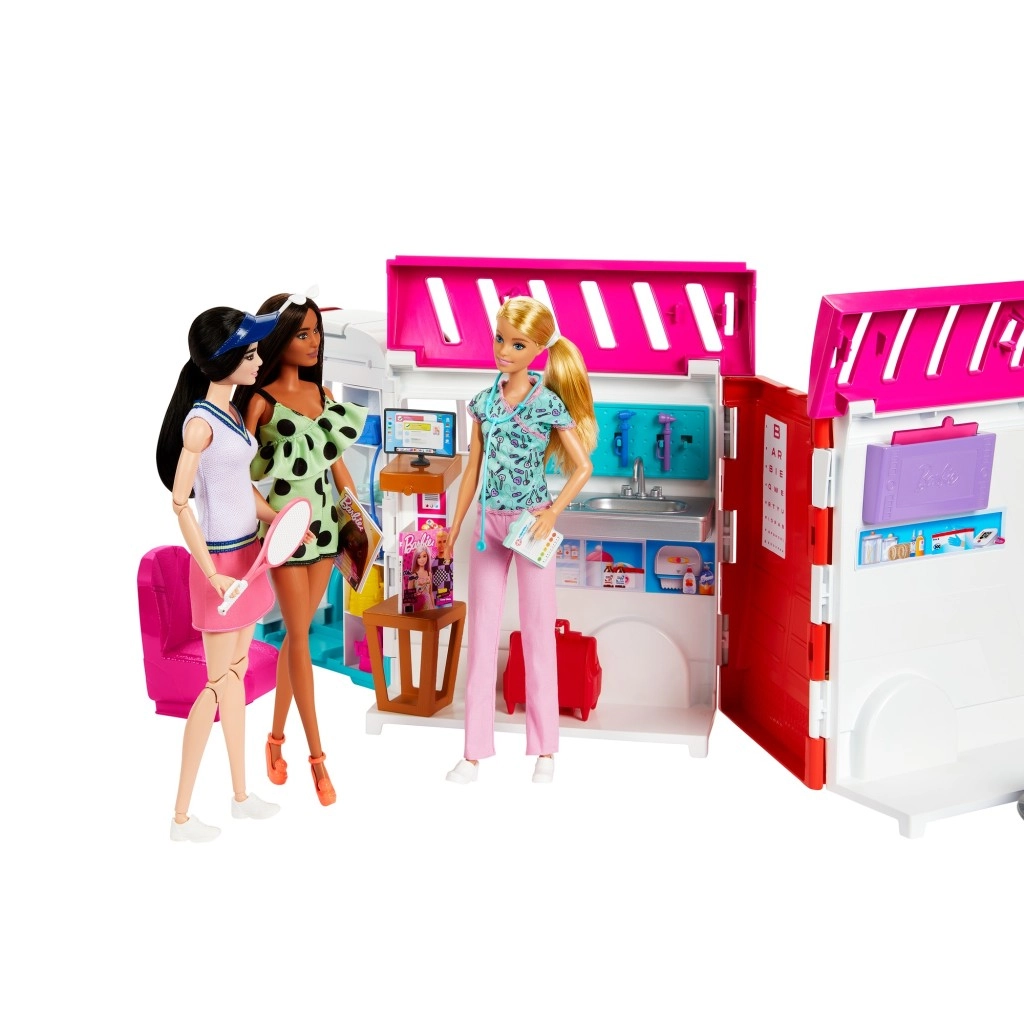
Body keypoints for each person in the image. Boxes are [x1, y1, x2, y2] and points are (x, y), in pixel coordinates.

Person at [155, 306, 299, 841]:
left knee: (233, 678)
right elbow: (180, 503)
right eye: (250, 354)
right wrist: (211, 574)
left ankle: (240, 796)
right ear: (224, 360)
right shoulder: (200, 424)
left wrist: (280, 520)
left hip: (249, 559)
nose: (259, 361)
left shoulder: (234, 413)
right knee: (216, 686)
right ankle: (180, 816)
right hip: (219, 566)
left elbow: (241, 492)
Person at [442, 296, 597, 784]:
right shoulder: (483, 403)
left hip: (531, 525)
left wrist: (552, 512)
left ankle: (545, 749)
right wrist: (454, 526)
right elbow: (472, 469)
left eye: (517, 344)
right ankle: (473, 753)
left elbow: (583, 466)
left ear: (538, 350)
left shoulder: (546, 402)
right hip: (487, 527)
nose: (503, 351)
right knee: (481, 636)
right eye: (499, 339)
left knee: (538, 633)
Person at [234, 290, 367, 806]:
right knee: (300, 640)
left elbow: (337, 466)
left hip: (328, 529)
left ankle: (273, 739)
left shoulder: (322, 395)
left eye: (316, 332)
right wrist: (264, 519)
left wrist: (358, 517)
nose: (313, 343)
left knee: (296, 637)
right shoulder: (261, 401)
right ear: (279, 339)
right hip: (288, 533)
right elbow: (239, 474)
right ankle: (318, 758)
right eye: (302, 333)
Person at [411, 545, 436, 611]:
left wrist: (433, 608)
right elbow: (409, 596)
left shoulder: (429, 574)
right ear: (416, 559)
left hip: (429, 607)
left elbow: (430, 593)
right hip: (418, 607)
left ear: (427, 557)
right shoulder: (413, 576)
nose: (422, 560)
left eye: (424, 556)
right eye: (419, 557)